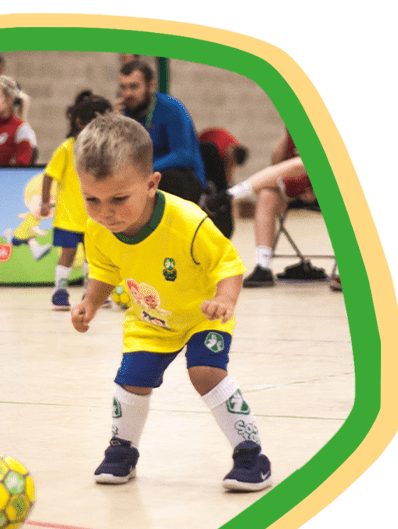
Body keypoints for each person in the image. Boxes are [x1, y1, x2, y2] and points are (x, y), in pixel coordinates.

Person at [71, 112, 272, 491]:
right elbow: (104, 269)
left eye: (118, 198)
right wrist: (90, 303)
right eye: (91, 200)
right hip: (152, 319)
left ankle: (251, 454)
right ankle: (122, 449)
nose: (105, 211)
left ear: (151, 184)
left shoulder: (186, 221)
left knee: (205, 371)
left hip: (203, 313)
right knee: (131, 380)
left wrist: (223, 301)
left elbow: (228, 264)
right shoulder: (98, 229)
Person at [204, 128, 320, 287]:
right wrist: (287, 135)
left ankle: (231, 194)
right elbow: (276, 163)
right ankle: (263, 267)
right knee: (266, 194)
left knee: (304, 162)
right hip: (295, 187)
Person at [41, 92, 113, 310]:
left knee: (92, 257)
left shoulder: (102, 151)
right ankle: (59, 291)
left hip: (93, 217)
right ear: (81, 122)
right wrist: (45, 202)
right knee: (68, 254)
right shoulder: (67, 148)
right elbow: (49, 175)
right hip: (68, 216)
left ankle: (91, 293)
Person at [117, 60, 206, 204]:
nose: (127, 94)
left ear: (150, 86)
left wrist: (143, 172)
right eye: (123, 87)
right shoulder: (122, 113)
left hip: (181, 178)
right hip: (142, 177)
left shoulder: (171, 108)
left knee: (170, 181)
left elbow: (182, 155)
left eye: (134, 87)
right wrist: (114, 126)